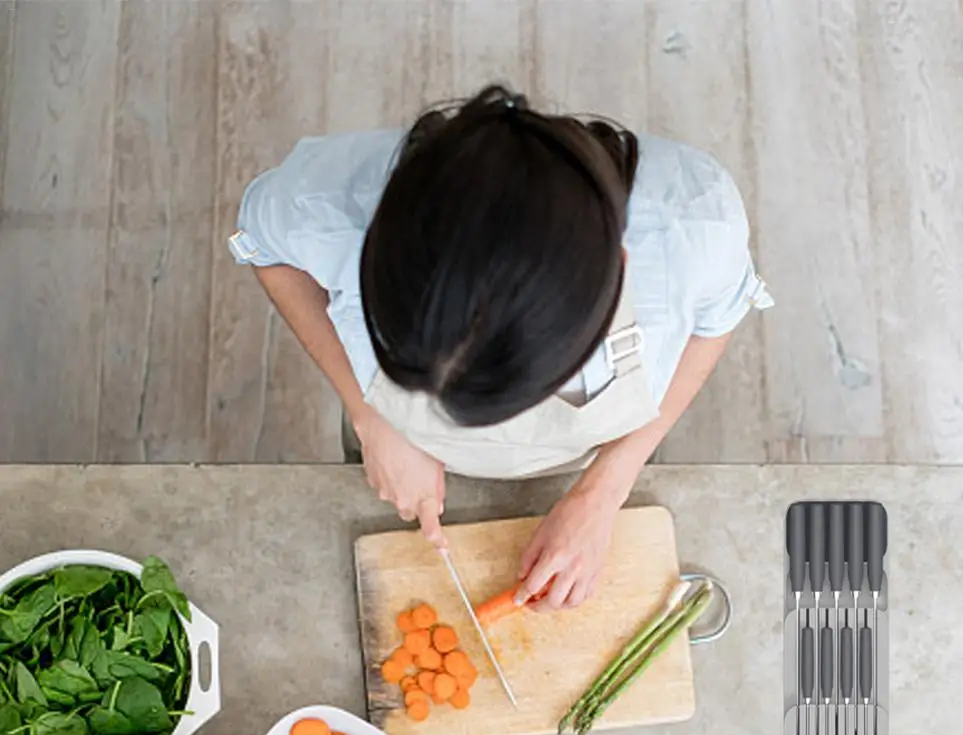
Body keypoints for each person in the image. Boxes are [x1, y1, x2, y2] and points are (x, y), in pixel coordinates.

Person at [228, 85, 772, 610]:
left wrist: (604, 491)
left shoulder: (693, 227)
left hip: (596, 457)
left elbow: (715, 322)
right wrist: (371, 417)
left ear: (617, 271)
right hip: (393, 452)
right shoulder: (328, 201)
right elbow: (267, 249)